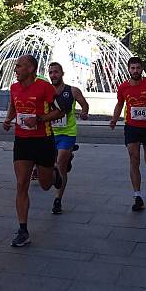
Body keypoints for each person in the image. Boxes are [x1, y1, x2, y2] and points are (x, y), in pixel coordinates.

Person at [3, 55, 64, 247]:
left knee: (46, 185)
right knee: (22, 183)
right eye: (16, 66)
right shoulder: (14, 88)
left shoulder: (44, 87)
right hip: (22, 141)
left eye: (19, 66)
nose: (16, 70)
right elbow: (13, 106)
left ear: (30, 69)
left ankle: (55, 174)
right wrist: (7, 119)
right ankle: (23, 229)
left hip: (43, 140)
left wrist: (39, 119)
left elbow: (59, 111)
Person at [110, 56, 146, 212]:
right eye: (132, 68)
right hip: (132, 127)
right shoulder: (123, 87)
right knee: (134, 159)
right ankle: (137, 196)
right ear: (128, 69)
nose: (135, 71)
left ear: (142, 69)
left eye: (138, 68)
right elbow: (120, 103)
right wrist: (114, 119)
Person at [48, 62, 89, 214]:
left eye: (56, 72)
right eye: (51, 72)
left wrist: (84, 113)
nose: (53, 75)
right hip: (49, 133)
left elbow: (84, 104)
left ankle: (58, 200)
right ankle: (68, 157)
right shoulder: (46, 91)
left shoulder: (72, 90)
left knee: (60, 165)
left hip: (67, 133)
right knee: (51, 168)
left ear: (62, 73)